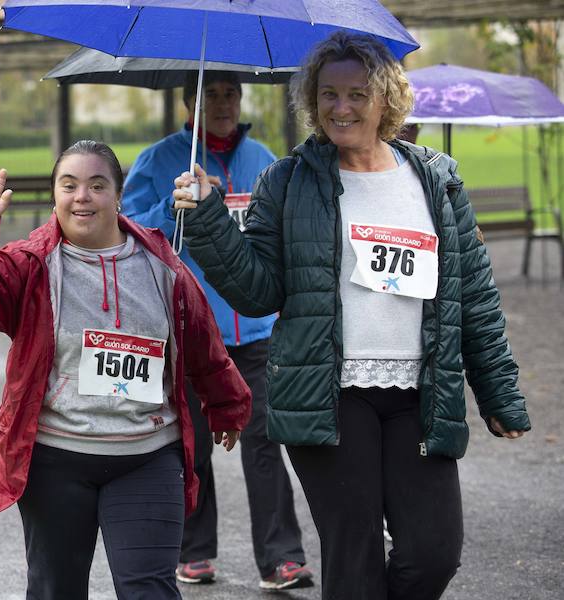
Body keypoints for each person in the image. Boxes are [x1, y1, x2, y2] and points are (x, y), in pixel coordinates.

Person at [173, 31, 531, 600]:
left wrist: (498, 394)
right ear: (312, 100)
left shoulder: (436, 180)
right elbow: (258, 292)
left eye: (357, 94)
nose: (341, 107)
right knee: (354, 558)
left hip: (421, 393)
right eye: (329, 94)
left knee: (433, 553)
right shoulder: (287, 180)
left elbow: (474, 296)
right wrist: (209, 219)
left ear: (387, 98)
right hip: (328, 394)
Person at [0, 141, 252, 599]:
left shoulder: (163, 266)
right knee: (55, 589)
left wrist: (227, 403)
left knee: (149, 590)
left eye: (97, 185)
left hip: (148, 457)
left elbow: (202, 341)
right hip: (55, 461)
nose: (82, 196)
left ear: (118, 196)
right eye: (69, 185)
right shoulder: (31, 266)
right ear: (55, 197)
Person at [122, 71, 313, 590]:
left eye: (232, 94)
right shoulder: (159, 161)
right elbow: (130, 231)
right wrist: (172, 208)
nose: (224, 103)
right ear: (190, 102)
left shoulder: (265, 160)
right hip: (190, 330)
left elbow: (284, 237)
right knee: (193, 447)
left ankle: (281, 557)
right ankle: (193, 551)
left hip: (257, 331)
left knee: (266, 442)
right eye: (211, 95)